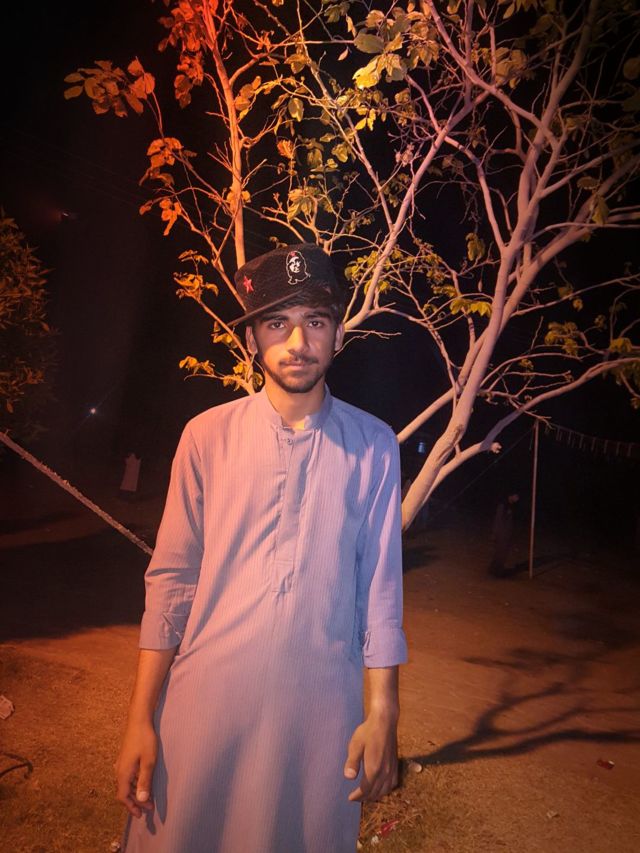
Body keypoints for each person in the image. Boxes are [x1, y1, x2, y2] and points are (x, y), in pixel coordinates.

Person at [115, 243, 408, 853]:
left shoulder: (375, 446)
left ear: (337, 335)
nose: (297, 342)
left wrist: (383, 713)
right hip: (204, 711)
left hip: (318, 719)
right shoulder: (206, 437)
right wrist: (140, 717)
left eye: (315, 321)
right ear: (252, 338)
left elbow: (380, 594)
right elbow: (171, 582)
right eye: (277, 323)